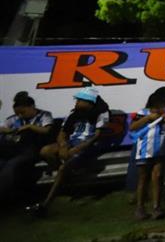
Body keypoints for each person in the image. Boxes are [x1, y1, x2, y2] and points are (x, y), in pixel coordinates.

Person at [29, 86, 110, 216]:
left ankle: (46, 204)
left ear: (88, 102)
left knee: (62, 168)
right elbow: (62, 132)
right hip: (72, 142)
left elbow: (96, 136)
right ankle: (70, 177)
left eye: (79, 100)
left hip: (89, 146)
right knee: (45, 151)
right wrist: (63, 145)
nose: (76, 102)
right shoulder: (74, 113)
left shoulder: (102, 113)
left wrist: (74, 150)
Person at [130, 90, 165, 220]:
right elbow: (132, 127)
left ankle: (156, 207)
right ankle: (140, 208)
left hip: (160, 150)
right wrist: (147, 118)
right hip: (144, 151)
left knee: (158, 177)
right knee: (143, 178)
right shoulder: (143, 112)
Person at [0, 92, 53, 202]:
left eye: (22, 112)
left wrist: (29, 127)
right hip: (11, 149)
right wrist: (10, 131)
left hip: (31, 149)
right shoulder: (12, 119)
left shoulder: (44, 115)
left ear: (31, 107)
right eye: (17, 113)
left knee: (12, 165)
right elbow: (4, 129)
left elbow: (47, 130)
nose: (19, 116)